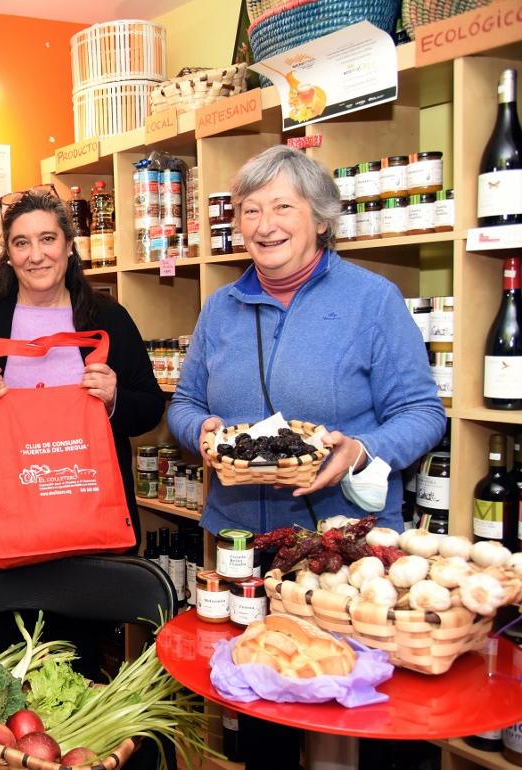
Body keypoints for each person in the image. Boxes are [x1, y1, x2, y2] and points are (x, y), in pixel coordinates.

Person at [167, 146, 446, 770]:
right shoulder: (222, 308)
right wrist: (203, 428)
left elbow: (424, 414)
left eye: (283, 206)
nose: (265, 223)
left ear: (320, 218)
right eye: (250, 209)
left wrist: (362, 449)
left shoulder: (373, 300)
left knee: (372, 704)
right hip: (248, 545)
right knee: (263, 700)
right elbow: (183, 403)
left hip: (349, 549)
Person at [0, 184, 165, 655]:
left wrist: (114, 399)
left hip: (88, 528)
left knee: (86, 672)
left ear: (68, 246)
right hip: (4, 533)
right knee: (8, 677)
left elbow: (149, 408)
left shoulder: (108, 319)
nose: (36, 255)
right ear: (8, 254)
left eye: (47, 239)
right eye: (21, 243)